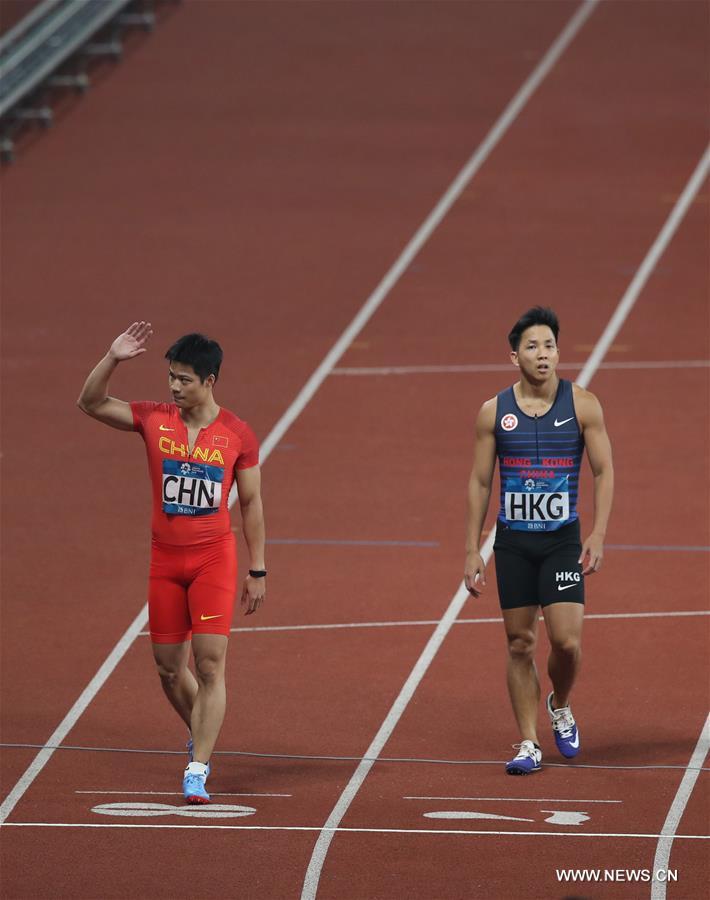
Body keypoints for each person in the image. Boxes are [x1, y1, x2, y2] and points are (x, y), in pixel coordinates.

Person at [78, 322, 267, 802]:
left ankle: (198, 767)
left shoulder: (238, 435)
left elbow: (251, 504)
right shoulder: (154, 419)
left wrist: (258, 568)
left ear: (210, 381)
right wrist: (113, 357)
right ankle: (202, 731)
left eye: (184, 379)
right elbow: (91, 403)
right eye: (171, 377)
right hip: (164, 561)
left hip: (212, 560)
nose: (174, 387)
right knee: (167, 668)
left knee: (209, 666)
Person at [464, 307, 613, 775]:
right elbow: (480, 482)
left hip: (561, 542)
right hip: (513, 543)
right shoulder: (494, 412)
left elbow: (604, 470)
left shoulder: (583, 404)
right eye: (532, 346)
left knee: (566, 643)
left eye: (549, 345)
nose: (543, 354)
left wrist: (599, 532)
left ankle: (560, 703)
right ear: (515, 356)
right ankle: (529, 742)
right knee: (519, 643)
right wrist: (472, 547)